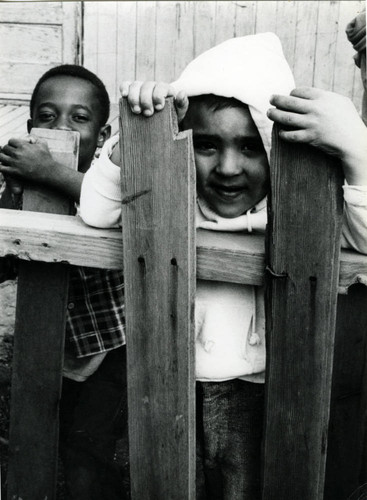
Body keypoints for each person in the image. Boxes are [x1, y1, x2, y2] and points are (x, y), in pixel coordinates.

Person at [79, 33, 367, 499]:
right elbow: (96, 212)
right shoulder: (169, 199)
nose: (229, 167)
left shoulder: (299, 211)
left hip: (259, 389)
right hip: (167, 382)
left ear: (277, 148)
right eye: (207, 144)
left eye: (252, 147)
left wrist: (356, 145)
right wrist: (133, 140)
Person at [0, 65, 127, 500]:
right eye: (48, 117)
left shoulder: (111, 178)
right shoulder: (24, 178)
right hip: (50, 343)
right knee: (39, 437)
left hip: (112, 347)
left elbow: (112, 214)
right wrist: (13, 193)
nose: (61, 128)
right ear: (31, 125)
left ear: (103, 130)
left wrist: (50, 173)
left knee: (88, 453)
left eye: (79, 117)